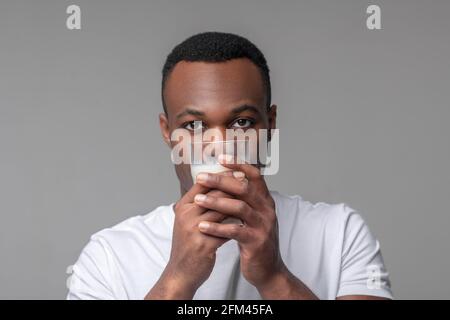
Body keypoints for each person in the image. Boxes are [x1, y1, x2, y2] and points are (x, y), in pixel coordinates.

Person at [67, 32, 392, 300]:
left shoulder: (339, 233)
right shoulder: (108, 257)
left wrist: (274, 277)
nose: (220, 145)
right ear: (167, 132)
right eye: (194, 126)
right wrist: (178, 280)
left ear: (270, 123)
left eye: (241, 121)